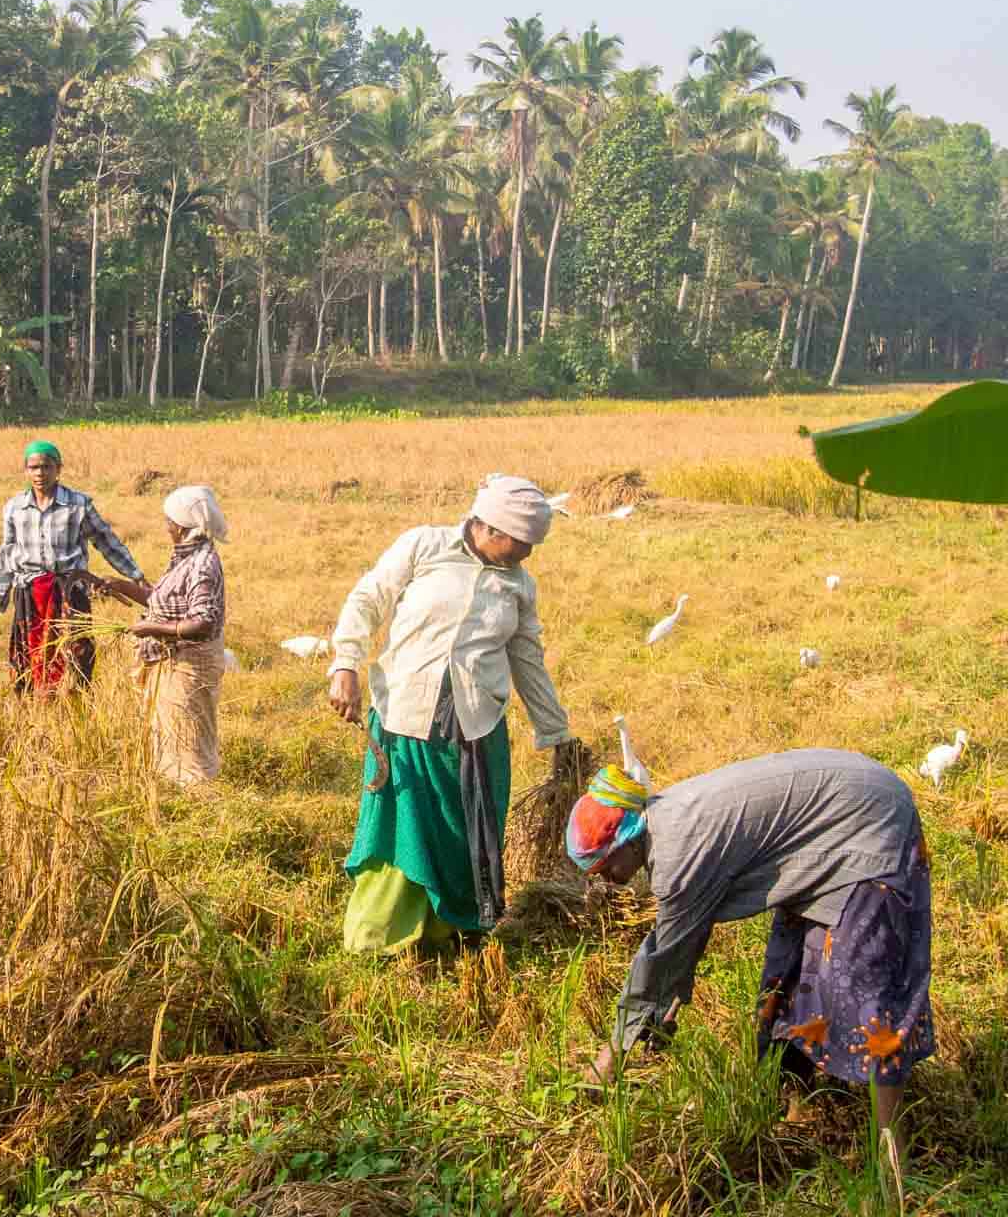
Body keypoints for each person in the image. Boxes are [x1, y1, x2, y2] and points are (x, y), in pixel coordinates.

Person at [571, 749, 934, 1152]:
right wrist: (671, 996)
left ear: (627, 839)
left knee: (867, 994)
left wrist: (610, 1055)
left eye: (604, 867)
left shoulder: (676, 854)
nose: (604, 880)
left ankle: (893, 1159)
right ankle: (797, 1113)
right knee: (787, 981)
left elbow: (663, 956)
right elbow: (687, 937)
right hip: (827, 826)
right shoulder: (665, 822)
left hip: (870, 824)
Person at [327, 473, 579, 954]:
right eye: (523, 544)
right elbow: (368, 598)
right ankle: (383, 939)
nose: (528, 555)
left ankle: (454, 937)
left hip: (475, 731)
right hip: (404, 718)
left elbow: (528, 660)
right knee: (401, 828)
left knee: (465, 837)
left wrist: (556, 730)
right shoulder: (424, 546)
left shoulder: (519, 585)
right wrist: (345, 663)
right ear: (490, 529)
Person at [0, 441, 146, 691]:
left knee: (77, 655)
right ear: (26, 470)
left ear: (59, 469)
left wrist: (136, 576)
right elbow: (6, 557)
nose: (40, 473)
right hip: (30, 593)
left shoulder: (78, 505)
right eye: (33, 467)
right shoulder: (15, 508)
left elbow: (105, 541)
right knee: (30, 655)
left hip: (70, 593)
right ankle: (35, 711)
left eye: (46, 466)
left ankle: (76, 708)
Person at [107, 485, 228, 787]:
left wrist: (152, 630)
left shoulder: (202, 564)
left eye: (168, 521)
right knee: (174, 739)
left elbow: (202, 622)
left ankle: (200, 804)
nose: (166, 527)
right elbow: (164, 602)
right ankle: (184, 795)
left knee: (188, 744)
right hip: (172, 660)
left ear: (180, 524)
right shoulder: (187, 557)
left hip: (187, 663)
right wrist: (121, 586)